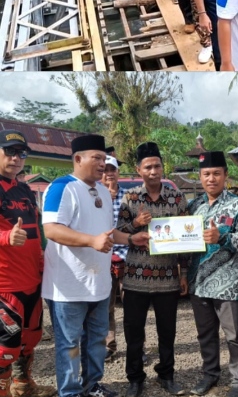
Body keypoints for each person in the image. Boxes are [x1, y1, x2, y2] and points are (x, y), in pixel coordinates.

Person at [43, 136, 145, 397]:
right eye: (96, 158)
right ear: (78, 159)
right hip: (68, 287)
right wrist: (91, 241)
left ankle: (92, 385)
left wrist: (132, 239)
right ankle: (70, 392)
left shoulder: (101, 190)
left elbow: (106, 234)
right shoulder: (61, 187)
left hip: (98, 285)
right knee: (69, 345)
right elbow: (52, 229)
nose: (103, 164)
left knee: (97, 342)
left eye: (104, 159)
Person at [115, 142, 188, 397]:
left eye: (157, 165)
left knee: (167, 332)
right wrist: (135, 223)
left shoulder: (177, 198)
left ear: (162, 167)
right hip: (136, 277)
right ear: (139, 169)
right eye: (148, 167)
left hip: (168, 277)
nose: (153, 171)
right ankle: (135, 378)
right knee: (134, 333)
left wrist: (184, 273)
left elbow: (187, 238)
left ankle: (166, 375)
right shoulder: (130, 197)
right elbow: (118, 234)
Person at [187, 151, 238, 397]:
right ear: (200, 177)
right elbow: (184, 244)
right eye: (206, 174)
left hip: (229, 282)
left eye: (216, 173)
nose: (211, 178)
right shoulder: (193, 206)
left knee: (235, 335)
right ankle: (210, 375)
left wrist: (222, 237)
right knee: (205, 334)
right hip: (199, 281)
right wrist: (184, 273)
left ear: (225, 175)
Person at [0, 131, 53, 397]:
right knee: (5, 346)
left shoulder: (25, 190)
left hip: (33, 278)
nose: (15, 158)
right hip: (5, 283)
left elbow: (37, 233)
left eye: (21, 153)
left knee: (30, 338)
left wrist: (44, 259)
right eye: (9, 151)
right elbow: (11, 235)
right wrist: (7, 236)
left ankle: (23, 385)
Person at [101, 154, 124, 364]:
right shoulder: (95, 198)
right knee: (106, 307)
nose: (109, 174)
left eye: (112, 169)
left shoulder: (129, 197)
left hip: (129, 257)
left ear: (118, 172)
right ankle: (109, 346)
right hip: (103, 260)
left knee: (136, 306)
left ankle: (139, 346)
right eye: (104, 170)